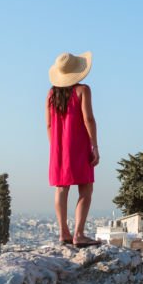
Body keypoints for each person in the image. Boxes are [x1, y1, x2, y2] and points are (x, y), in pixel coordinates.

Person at [46, 51, 101, 247]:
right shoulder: (83, 90)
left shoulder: (51, 94)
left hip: (58, 148)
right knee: (85, 188)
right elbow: (89, 119)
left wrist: (56, 147)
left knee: (61, 189)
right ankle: (79, 234)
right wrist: (94, 145)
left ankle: (63, 233)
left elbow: (49, 126)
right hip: (78, 145)